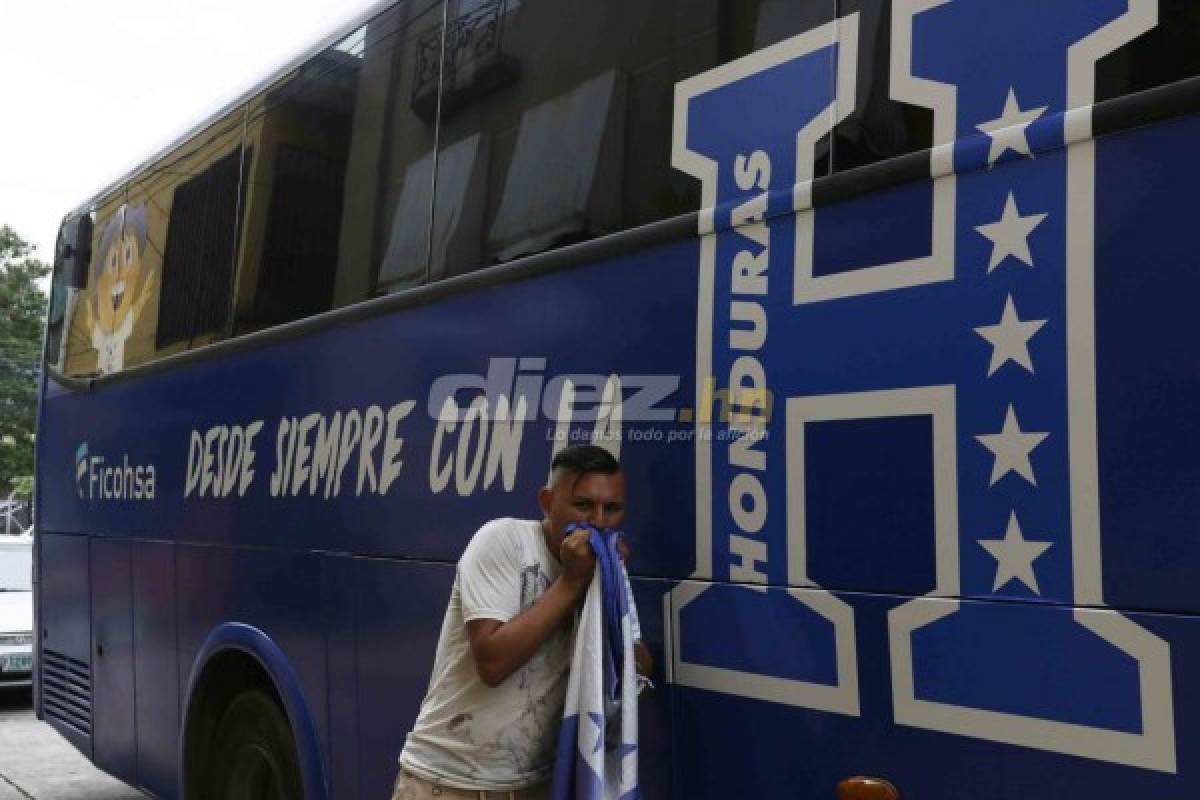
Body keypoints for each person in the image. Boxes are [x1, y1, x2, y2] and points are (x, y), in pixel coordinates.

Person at [393, 444, 652, 800]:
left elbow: (636, 665)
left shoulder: (604, 570)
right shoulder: (503, 542)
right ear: (547, 502)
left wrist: (609, 599)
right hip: (448, 782)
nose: (598, 522)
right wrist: (571, 582)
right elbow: (493, 662)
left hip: (533, 785)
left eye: (612, 509)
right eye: (583, 505)